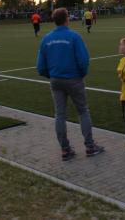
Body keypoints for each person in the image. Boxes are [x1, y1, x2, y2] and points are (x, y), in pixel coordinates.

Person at [36, 8, 104, 161]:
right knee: (83, 111)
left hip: (56, 81)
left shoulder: (46, 39)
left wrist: (51, 75)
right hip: (74, 79)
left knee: (60, 115)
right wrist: (81, 74)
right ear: (66, 19)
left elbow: (40, 66)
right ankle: (90, 146)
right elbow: (83, 60)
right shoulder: (74, 37)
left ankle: (65, 150)